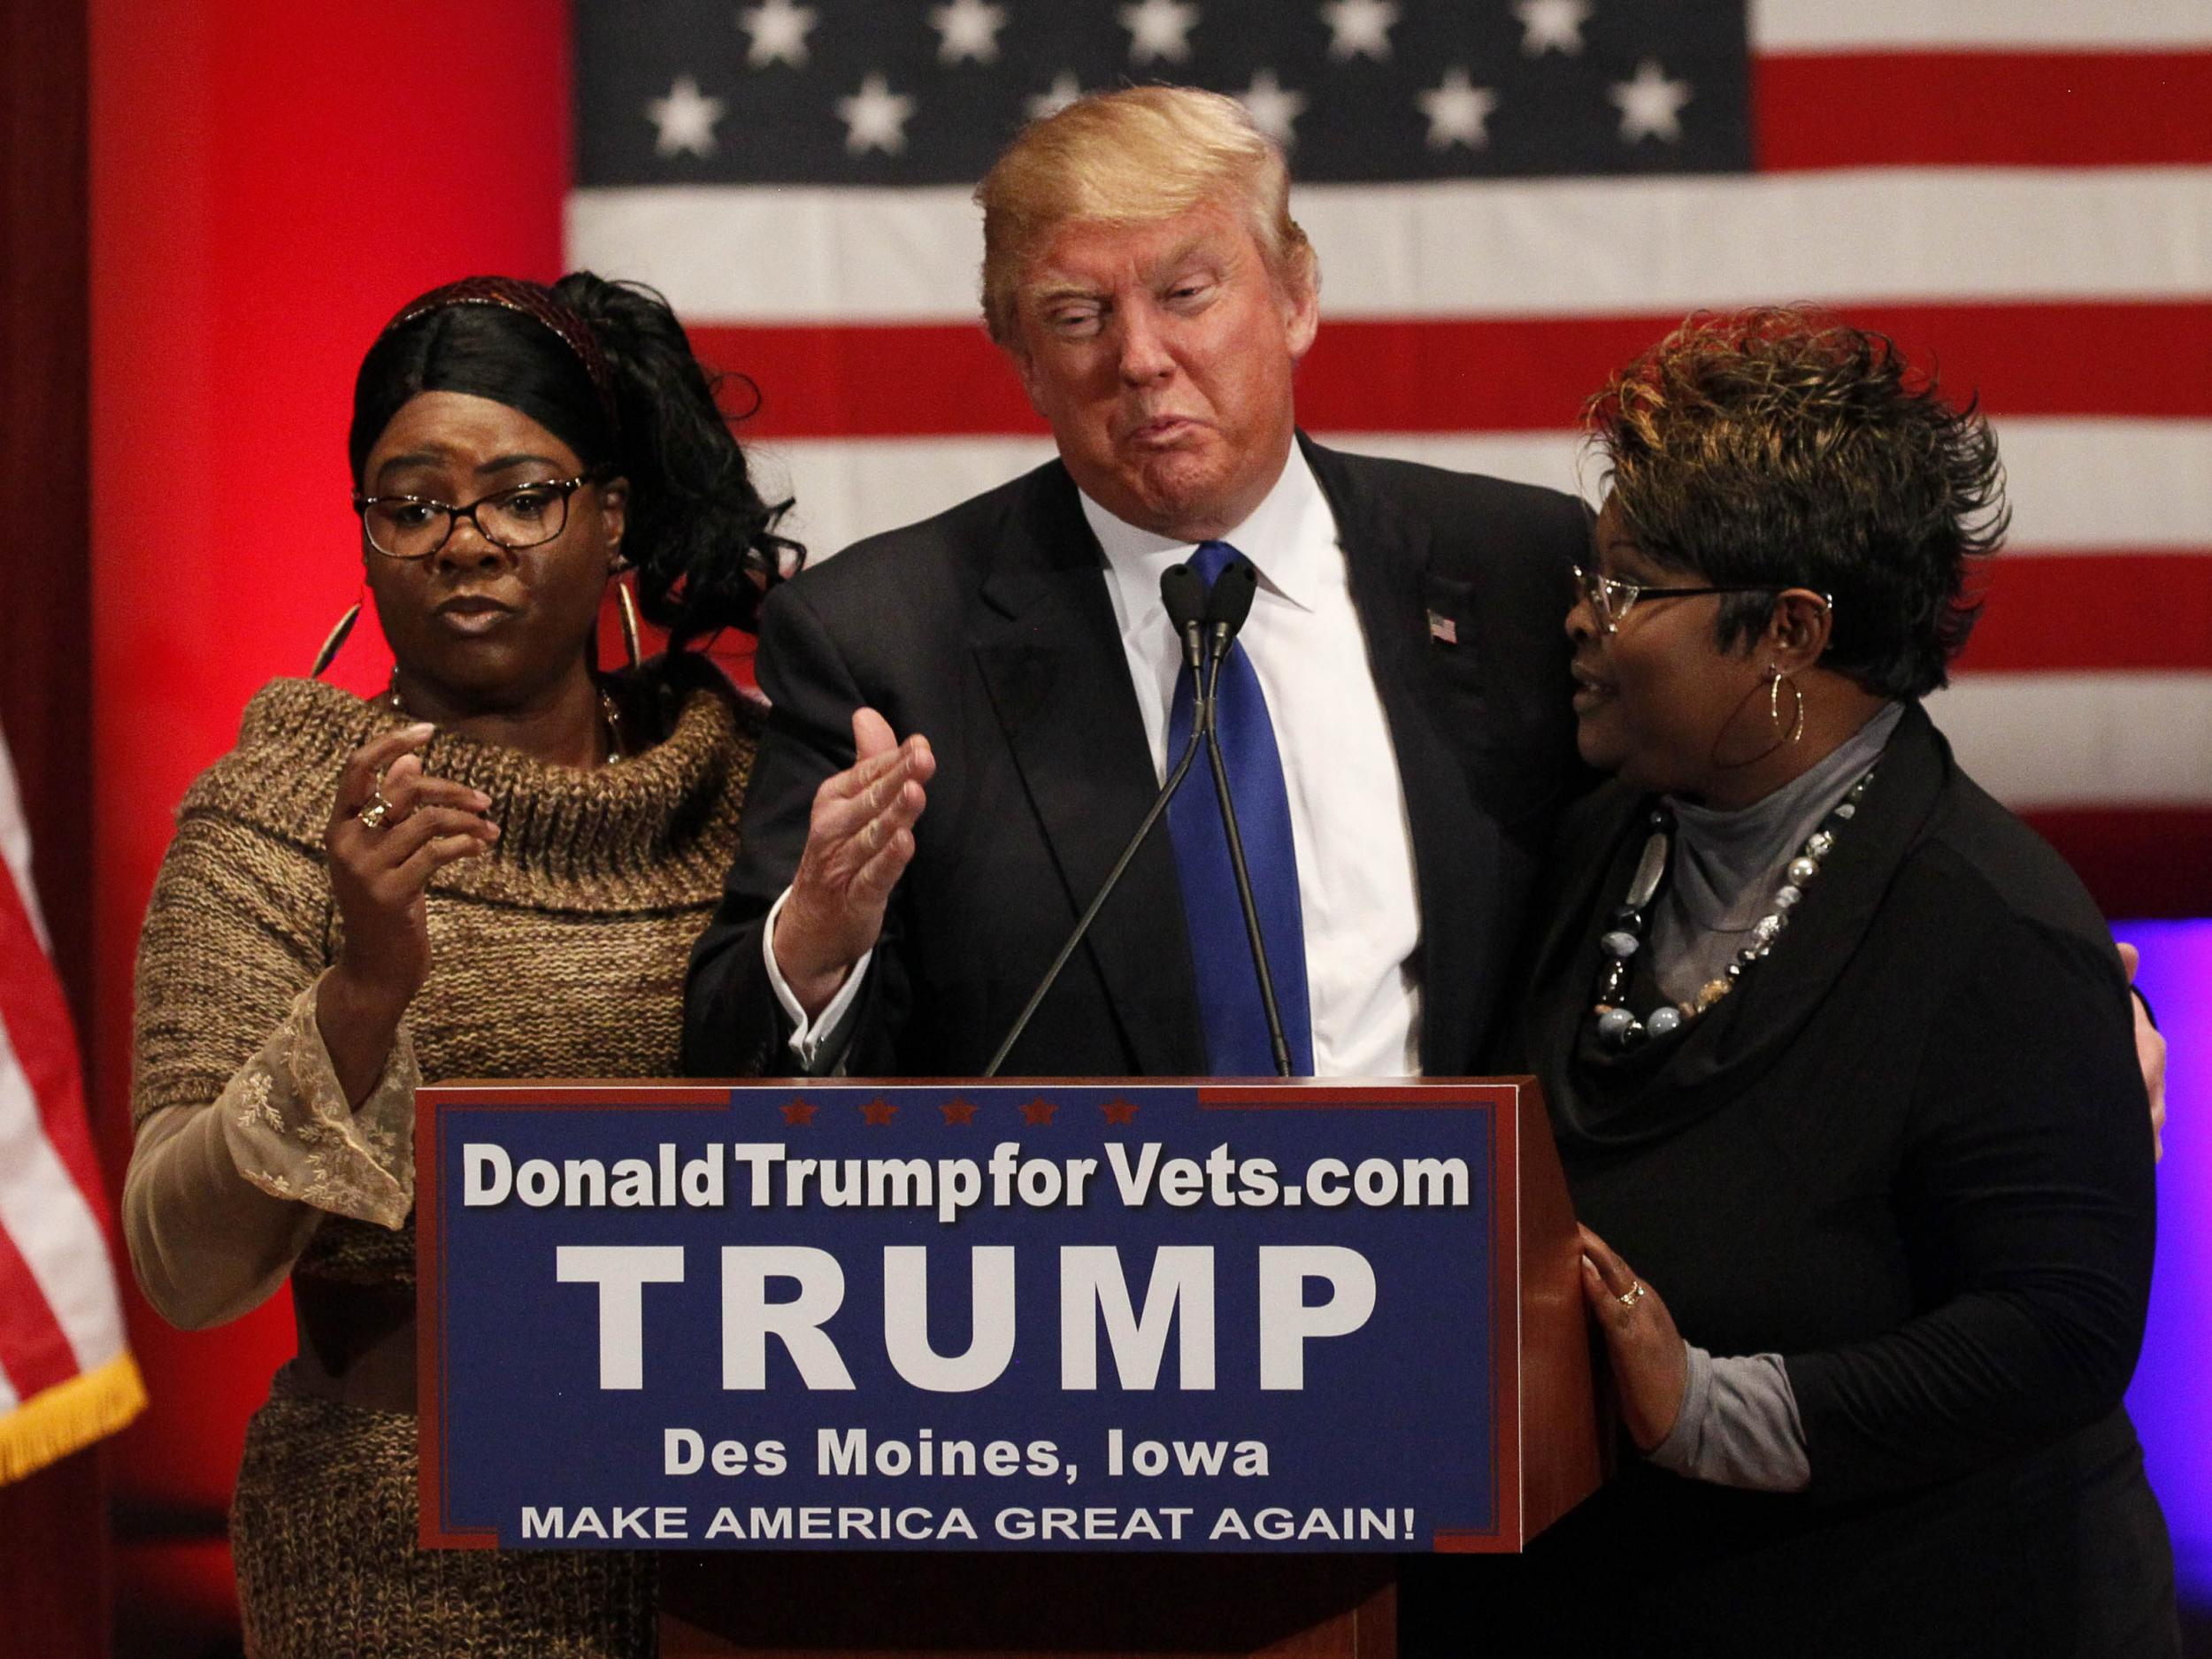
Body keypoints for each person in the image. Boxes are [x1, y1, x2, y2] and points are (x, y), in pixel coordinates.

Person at [1450, 309, 2177, 1655]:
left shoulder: (1993, 925)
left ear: (1785, 629)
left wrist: (1708, 1407)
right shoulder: (1598, 835)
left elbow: (2058, 1331)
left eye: (1626, 587)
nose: (1580, 619)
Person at [124, 273, 796, 1657]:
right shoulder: (273, 815)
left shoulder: (748, 794)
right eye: (412, 501)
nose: (465, 541)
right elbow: (178, 1261)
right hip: (399, 1564)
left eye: (522, 492)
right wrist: (361, 994)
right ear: (367, 537)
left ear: (612, 516)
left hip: (752, 1543)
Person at [682, 85, 1591, 1080]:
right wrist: (819, 944)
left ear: (1295, 297)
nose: (1141, 360)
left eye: (1186, 294)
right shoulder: (881, 640)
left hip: (1455, 1226)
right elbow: (736, 1062)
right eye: (1078, 318)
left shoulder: (1518, 570)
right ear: (1025, 362)